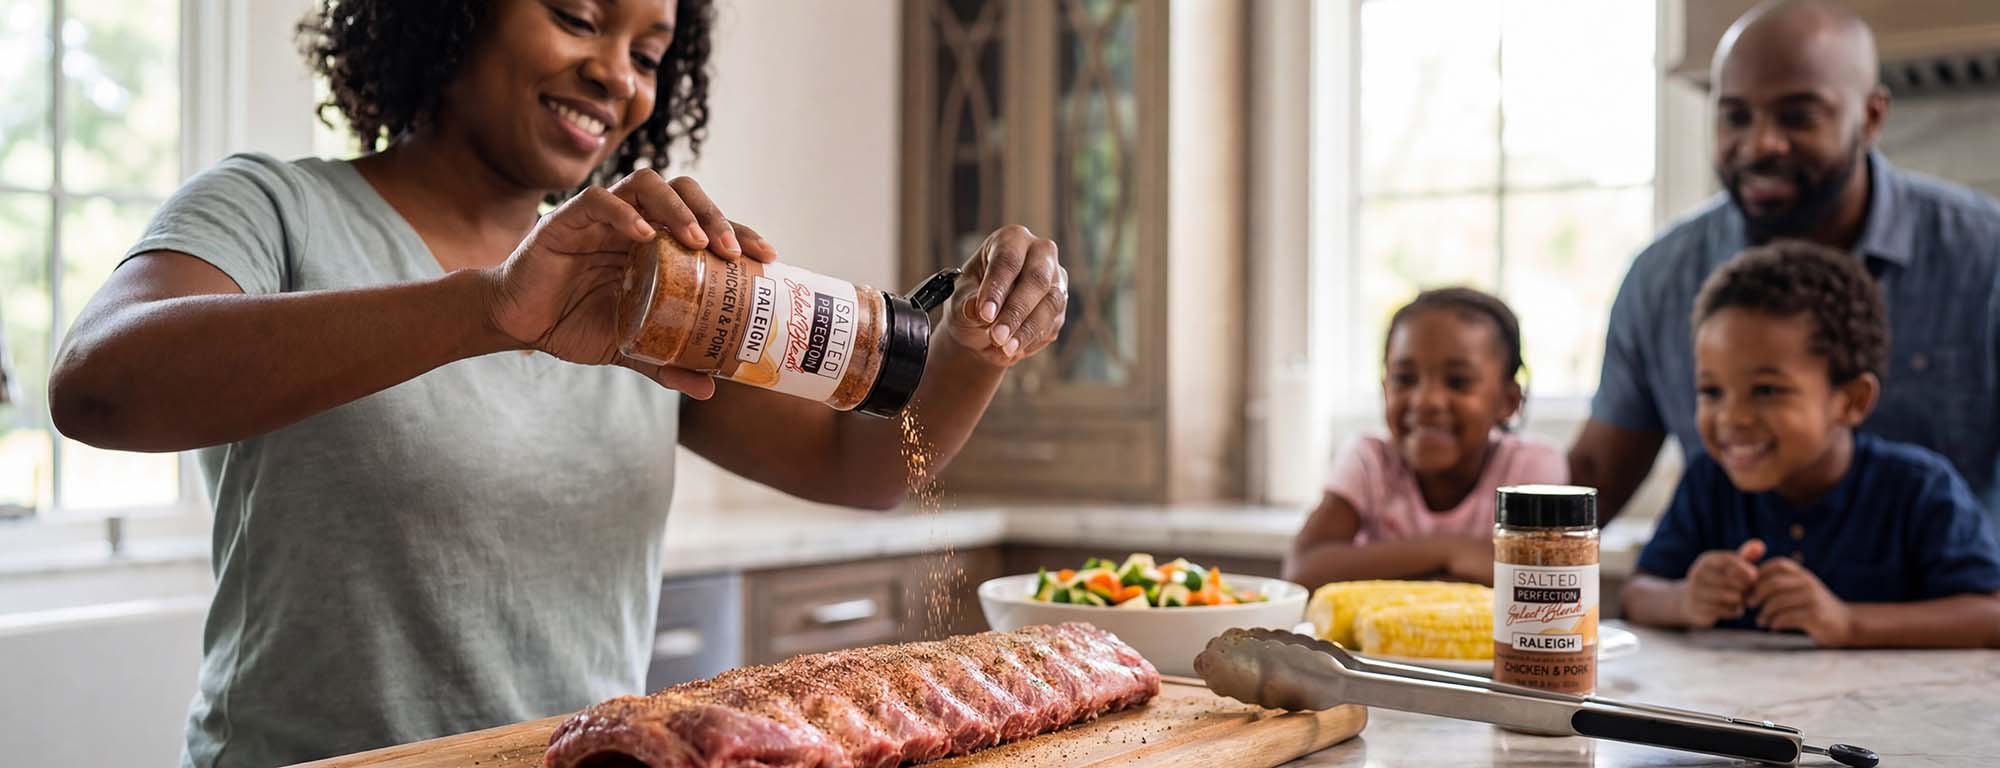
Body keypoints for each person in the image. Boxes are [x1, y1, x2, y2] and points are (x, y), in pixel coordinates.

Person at [44, 2, 1069, 766]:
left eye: (649, 53)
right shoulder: (271, 208)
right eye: (576, 16)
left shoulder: (644, 285)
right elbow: (100, 385)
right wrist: (488, 310)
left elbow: (866, 469)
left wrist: (968, 357)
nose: (613, 75)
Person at [1569, 0, 2000, 521]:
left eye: (1797, 116)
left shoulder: (1984, 257)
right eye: (1735, 117)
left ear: (1870, 117)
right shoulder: (1662, 277)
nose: (1761, 144)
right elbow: (1595, 480)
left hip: (1944, 600)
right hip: (1739, 596)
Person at [1621, 241, 2000, 648]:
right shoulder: (1707, 483)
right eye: (1712, 391)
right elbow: (1638, 594)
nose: (1732, 417)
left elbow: (1990, 615)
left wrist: (1849, 622)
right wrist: (1684, 600)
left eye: (1766, 390)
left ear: (1852, 401)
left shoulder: (1920, 488)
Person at [1285, 288, 1567, 590]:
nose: (1427, 401)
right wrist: (1450, 551)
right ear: (1384, 389)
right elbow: (1304, 568)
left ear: (1508, 401)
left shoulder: (1530, 468)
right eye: (1405, 379)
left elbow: (1541, 581)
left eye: (1458, 382)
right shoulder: (1370, 460)